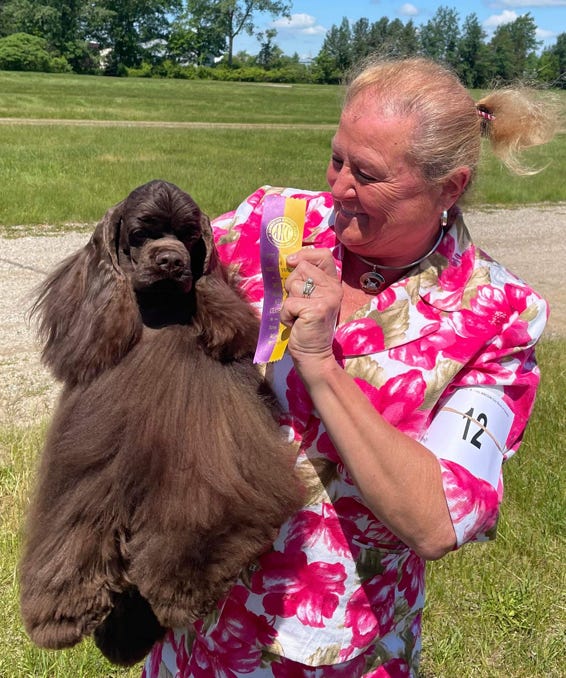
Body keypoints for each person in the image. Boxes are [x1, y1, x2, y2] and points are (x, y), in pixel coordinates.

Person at [143, 57, 557, 677]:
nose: (336, 189)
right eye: (337, 158)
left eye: (369, 174)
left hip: (326, 644)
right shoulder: (276, 220)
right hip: (193, 600)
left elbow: (436, 521)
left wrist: (319, 363)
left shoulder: (497, 315)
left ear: (450, 186)